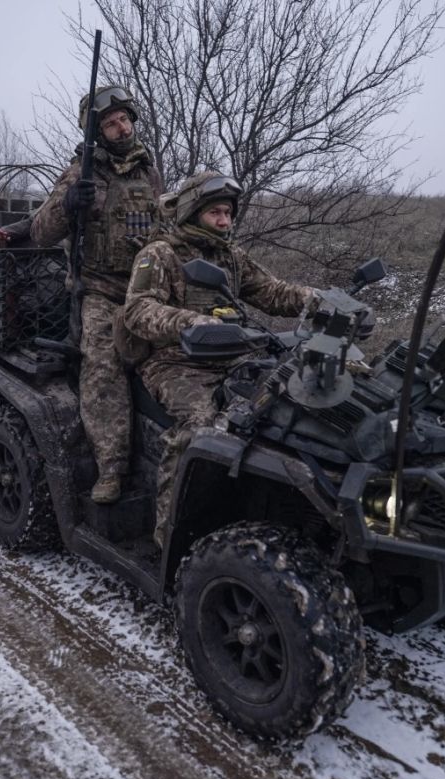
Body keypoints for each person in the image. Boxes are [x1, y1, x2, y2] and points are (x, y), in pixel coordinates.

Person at [123, 171, 315, 547]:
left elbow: (271, 292)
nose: (225, 221)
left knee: (288, 410)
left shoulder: (229, 254)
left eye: (228, 213)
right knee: (201, 426)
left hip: (233, 356)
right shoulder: (160, 254)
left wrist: (317, 299)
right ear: (195, 212)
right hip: (175, 362)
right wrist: (190, 322)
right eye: (216, 213)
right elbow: (137, 310)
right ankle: (169, 533)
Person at [30, 85, 162, 504]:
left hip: (147, 288)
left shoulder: (149, 172)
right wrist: (69, 203)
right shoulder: (80, 172)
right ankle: (112, 468)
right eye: (110, 123)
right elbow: (40, 233)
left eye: (124, 119)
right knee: (103, 368)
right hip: (100, 291)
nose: (121, 128)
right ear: (97, 132)